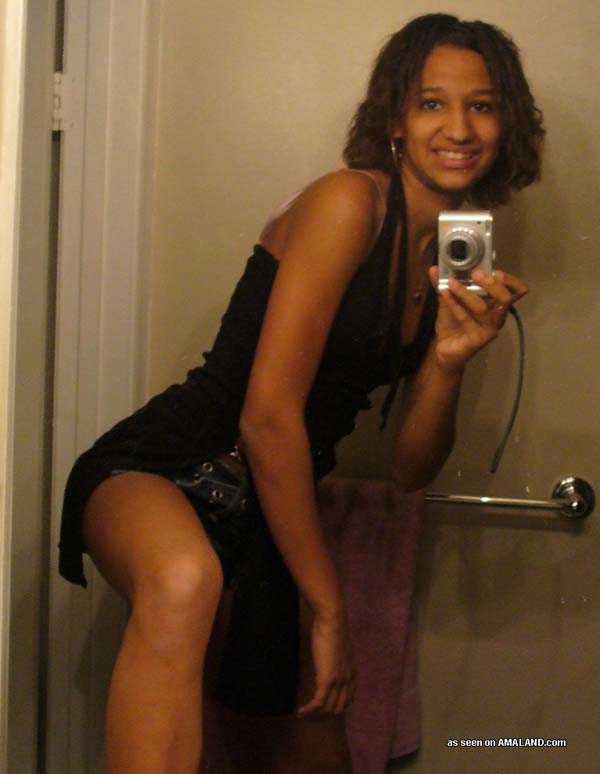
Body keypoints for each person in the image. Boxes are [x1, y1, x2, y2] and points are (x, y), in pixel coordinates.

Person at [58, 12, 544, 774]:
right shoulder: (349, 203)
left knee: (318, 743)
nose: (458, 127)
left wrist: (450, 360)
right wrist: (328, 605)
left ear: (506, 120)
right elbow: (267, 418)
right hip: (163, 467)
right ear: (394, 119)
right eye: (431, 103)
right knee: (184, 580)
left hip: (266, 513)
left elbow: (410, 469)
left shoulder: (449, 254)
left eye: (481, 105)